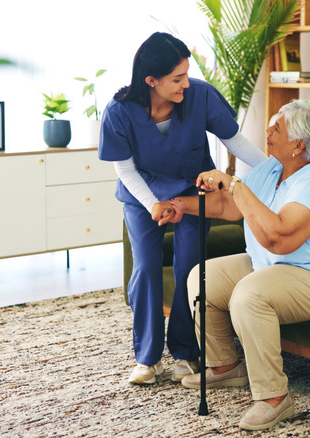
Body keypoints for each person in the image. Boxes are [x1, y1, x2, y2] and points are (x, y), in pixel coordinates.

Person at [165, 99, 310, 430]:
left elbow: (279, 238)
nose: (267, 132)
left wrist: (232, 183)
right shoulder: (272, 169)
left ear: (298, 145)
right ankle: (226, 366)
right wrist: (179, 206)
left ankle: (275, 398)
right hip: (272, 267)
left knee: (250, 295)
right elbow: (229, 205)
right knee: (204, 277)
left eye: (277, 128)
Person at [98, 32, 267, 386]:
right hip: (142, 194)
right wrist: (153, 204)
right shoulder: (119, 112)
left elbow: (233, 140)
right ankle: (146, 358)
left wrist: (274, 172)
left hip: (194, 190)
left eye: (186, 74)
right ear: (151, 81)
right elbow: (125, 169)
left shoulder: (199, 95)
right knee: (145, 268)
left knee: (190, 268)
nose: (185, 83)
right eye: (177, 78)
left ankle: (185, 352)